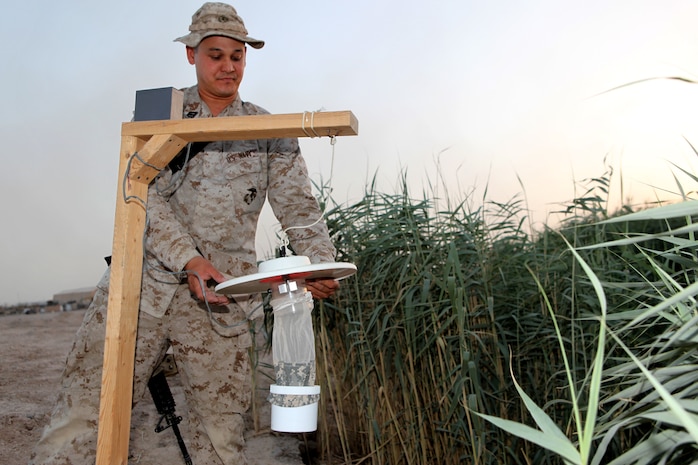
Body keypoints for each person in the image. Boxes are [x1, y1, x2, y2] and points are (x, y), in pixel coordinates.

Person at [29, 3, 340, 464]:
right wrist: (189, 260)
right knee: (82, 420)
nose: (228, 66)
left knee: (220, 441)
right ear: (191, 55)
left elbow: (299, 208)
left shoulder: (268, 129)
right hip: (142, 291)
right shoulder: (160, 117)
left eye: (237, 55)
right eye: (216, 54)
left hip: (224, 303)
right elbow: (139, 195)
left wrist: (319, 264)